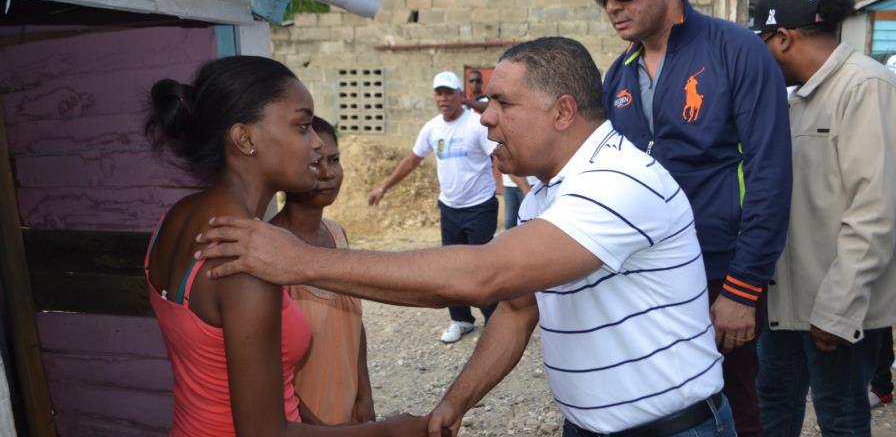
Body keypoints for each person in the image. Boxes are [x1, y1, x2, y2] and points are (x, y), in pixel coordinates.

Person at [197, 37, 736, 437]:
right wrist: (455, 403)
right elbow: (518, 308)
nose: (486, 120)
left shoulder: (618, 183)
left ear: (563, 111)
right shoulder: (553, 192)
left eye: (503, 104)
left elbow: (482, 276)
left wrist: (300, 262)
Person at [570, 0, 792, 434]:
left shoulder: (737, 52)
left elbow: (770, 176)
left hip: (719, 272)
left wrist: (742, 286)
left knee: (736, 399)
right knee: (661, 402)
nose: (611, 6)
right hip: (646, 274)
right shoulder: (618, 75)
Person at [143, 56, 424, 436]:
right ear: (246, 138)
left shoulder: (175, 219)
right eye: (303, 126)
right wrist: (390, 432)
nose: (315, 144)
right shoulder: (245, 257)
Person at [752, 0, 896, 435]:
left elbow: (875, 212)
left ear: (783, 39)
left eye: (762, 43)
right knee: (771, 410)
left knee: (841, 419)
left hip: (837, 309)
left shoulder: (865, 86)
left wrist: (837, 309)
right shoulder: (795, 99)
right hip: (785, 305)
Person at [367, 71, 498, 344]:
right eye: (439, 93)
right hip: (450, 207)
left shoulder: (476, 124)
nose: (443, 98)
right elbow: (411, 161)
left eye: (449, 92)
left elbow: (499, 157)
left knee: (482, 266)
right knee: (451, 267)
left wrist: (527, 193)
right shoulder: (432, 128)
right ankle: (461, 319)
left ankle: (495, 320)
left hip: (479, 207)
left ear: (461, 96)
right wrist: (384, 186)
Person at [270, 116, 375, 425]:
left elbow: (354, 323)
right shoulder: (269, 252)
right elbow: (269, 373)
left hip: (347, 415)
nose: (328, 173)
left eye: (334, 160)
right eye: (315, 163)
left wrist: (364, 395)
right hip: (302, 423)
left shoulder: (336, 234)